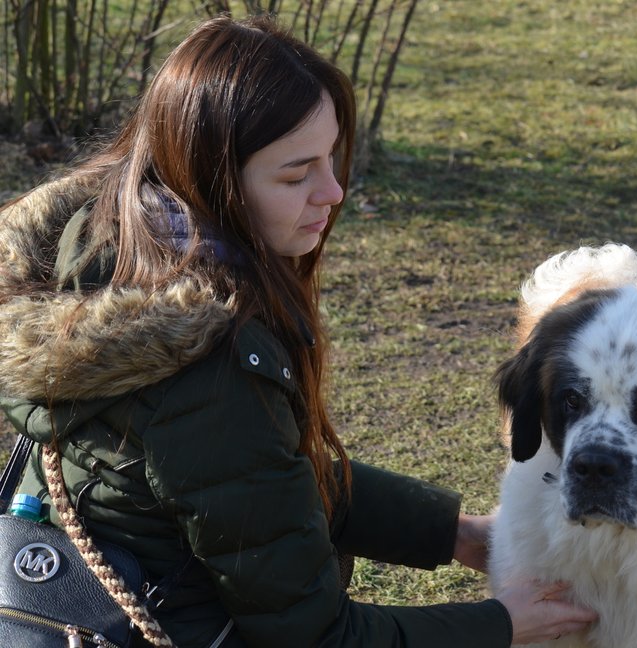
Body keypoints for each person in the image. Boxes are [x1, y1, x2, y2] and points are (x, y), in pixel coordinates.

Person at [0, 15, 596, 647]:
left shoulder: (103, 242)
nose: (333, 192)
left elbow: (253, 480)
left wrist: (448, 532)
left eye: (331, 159)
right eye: (295, 174)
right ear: (215, 180)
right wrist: (502, 624)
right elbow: (316, 637)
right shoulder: (208, 368)